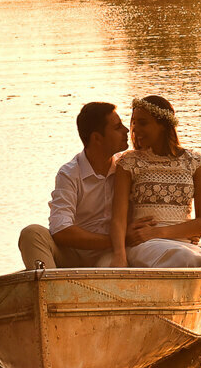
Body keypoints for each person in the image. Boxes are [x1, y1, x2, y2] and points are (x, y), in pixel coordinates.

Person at [18, 100, 143, 269]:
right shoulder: (69, 173)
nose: (126, 130)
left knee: (113, 264)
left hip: (115, 255)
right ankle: (48, 290)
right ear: (97, 138)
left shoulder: (128, 167)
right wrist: (116, 240)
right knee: (31, 233)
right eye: (117, 127)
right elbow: (61, 230)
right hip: (73, 256)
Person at [108, 94, 201, 269]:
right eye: (134, 122)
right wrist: (120, 256)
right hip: (143, 245)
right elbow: (118, 219)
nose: (135, 129)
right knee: (184, 258)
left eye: (143, 123)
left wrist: (157, 232)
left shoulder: (195, 162)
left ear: (163, 125)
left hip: (183, 243)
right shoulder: (129, 162)